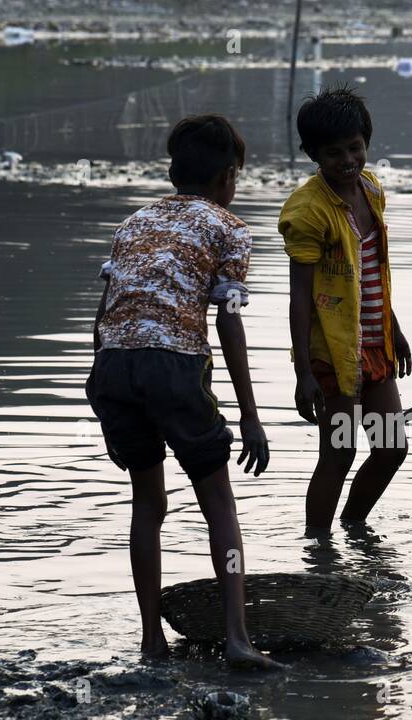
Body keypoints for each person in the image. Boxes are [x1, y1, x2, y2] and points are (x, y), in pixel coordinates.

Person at [86, 114, 281, 669]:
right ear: (228, 177)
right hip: (173, 366)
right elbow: (230, 320)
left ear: (173, 172)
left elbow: (105, 314)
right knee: (218, 499)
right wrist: (250, 415)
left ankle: (152, 642)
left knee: (147, 503)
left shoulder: (135, 222)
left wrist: (98, 382)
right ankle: (238, 640)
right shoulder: (229, 227)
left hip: (114, 369)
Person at [278, 85, 412, 534]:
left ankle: (354, 525)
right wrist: (303, 372)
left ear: (366, 143)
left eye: (355, 148)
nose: (348, 160)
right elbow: (299, 296)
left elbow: (372, 270)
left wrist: (394, 329)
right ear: (313, 154)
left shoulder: (371, 191)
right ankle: (318, 549)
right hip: (334, 354)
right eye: (334, 153)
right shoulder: (308, 211)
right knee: (339, 451)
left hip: (374, 343)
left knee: (391, 447)